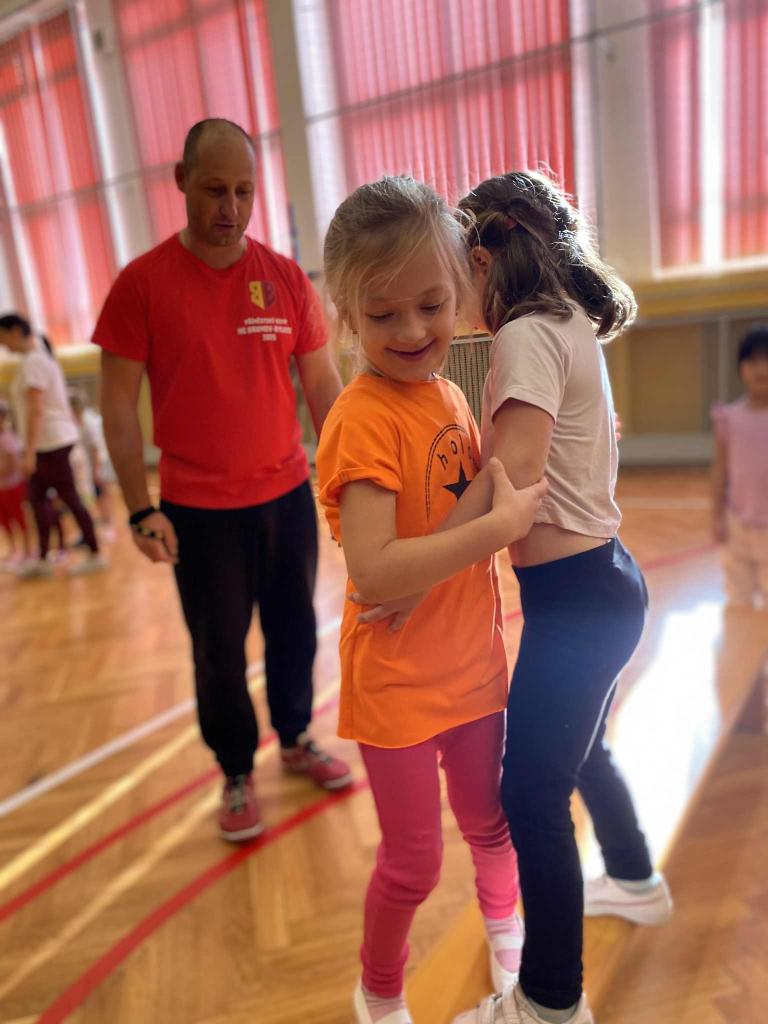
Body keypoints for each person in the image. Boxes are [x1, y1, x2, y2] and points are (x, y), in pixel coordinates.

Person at [442, 172, 673, 1024]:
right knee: (584, 753)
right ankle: (635, 877)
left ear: (481, 259)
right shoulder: (566, 321)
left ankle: (548, 1001)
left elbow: (514, 484)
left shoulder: (527, 335)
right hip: (604, 585)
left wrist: (413, 565)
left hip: (577, 601)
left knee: (532, 796)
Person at [317, 176, 548, 1024]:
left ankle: (506, 933)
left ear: (462, 287)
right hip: (398, 690)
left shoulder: (447, 394)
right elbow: (375, 571)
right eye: (384, 315)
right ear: (347, 316)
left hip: (473, 670)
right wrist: (493, 531)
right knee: (413, 864)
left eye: (432, 305)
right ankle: (379, 990)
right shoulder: (362, 418)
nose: (413, 331)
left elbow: (471, 490)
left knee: (491, 826)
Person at [93, 118, 351, 843]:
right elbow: (117, 406)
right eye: (213, 190)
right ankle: (236, 770)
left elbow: (323, 384)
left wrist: (350, 475)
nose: (230, 208)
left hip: (286, 496)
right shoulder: (142, 285)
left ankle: (296, 737)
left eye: (243, 191)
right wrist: (139, 509)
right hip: (198, 511)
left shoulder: (285, 279)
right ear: (181, 181)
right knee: (218, 652)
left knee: (295, 629)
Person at [0, 314, 105, 578]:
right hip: (47, 444)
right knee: (37, 502)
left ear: (15, 331)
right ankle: (44, 559)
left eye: (2, 337)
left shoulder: (34, 362)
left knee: (69, 498)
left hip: (50, 445)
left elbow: (36, 410)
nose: (2, 344)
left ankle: (95, 553)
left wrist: (29, 453)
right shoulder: (35, 360)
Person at [712, 325, 768, 608]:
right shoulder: (729, 417)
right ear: (741, 368)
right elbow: (720, 470)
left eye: (767, 359)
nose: (761, 368)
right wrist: (717, 517)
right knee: (738, 601)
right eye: (753, 360)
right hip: (737, 524)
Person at [69, 388, 116, 532]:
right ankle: (103, 519)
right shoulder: (79, 420)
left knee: (101, 493)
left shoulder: (89, 422)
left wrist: (96, 470)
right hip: (91, 463)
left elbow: (96, 449)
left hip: (100, 462)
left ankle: (109, 522)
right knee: (96, 494)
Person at [0, 397, 32, 568]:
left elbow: (12, 465)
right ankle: (14, 550)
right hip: (2, 488)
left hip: (13, 486)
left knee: (19, 519)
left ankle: (28, 551)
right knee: (4, 520)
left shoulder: (8, 438)